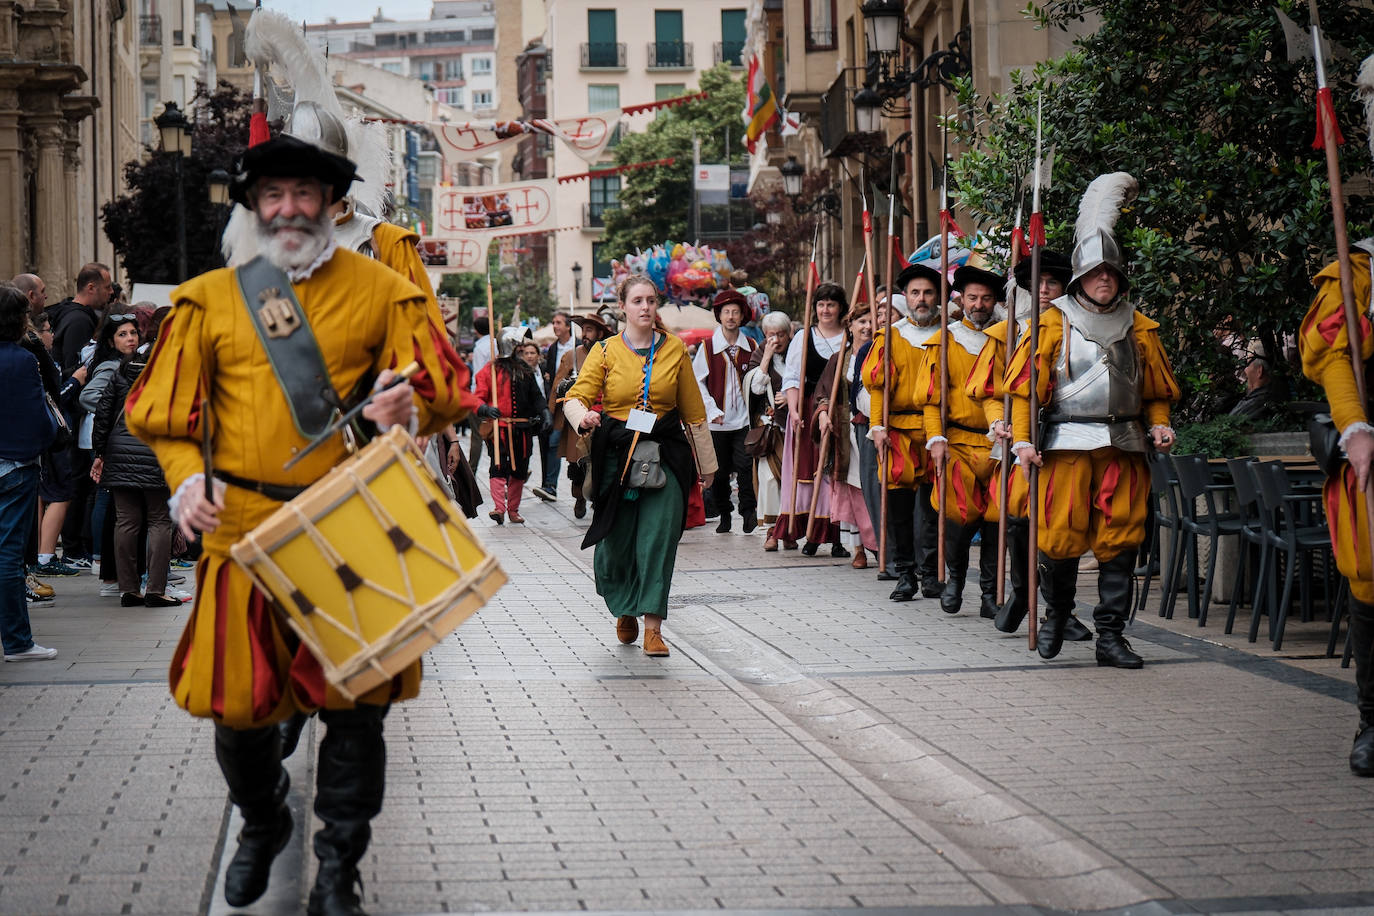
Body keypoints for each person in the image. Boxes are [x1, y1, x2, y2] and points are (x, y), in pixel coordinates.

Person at [125, 132, 475, 915]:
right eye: (273, 195)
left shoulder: (385, 290)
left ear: (330, 204)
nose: (289, 209)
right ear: (254, 204)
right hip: (240, 533)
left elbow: (446, 389)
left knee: (357, 714)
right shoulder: (208, 299)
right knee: (239, 710)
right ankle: (262, 815)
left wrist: (409, 406)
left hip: (352, 525)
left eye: (305, 195)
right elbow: (160, 416)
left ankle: (339, 867)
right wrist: (185, 485)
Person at [1009, 171, 1179, 669]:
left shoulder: (1139, 326)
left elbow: (1154, 392)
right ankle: (1058, 614)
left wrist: (1161, 424)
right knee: (1059, 538)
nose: (1105, 279)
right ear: (1081, 277)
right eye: (1095, 272)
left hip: (1125, 443)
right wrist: (1022, 442)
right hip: (1063, 444)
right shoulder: (1049, 323)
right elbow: (1023, 391)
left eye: (1112, 273)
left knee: (1120, 539)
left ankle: (1111, 636)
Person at [563, 275, 717, 657]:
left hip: (666, 454)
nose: (645, 307)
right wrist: (583, 416)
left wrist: (708, 465)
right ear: (624, 306)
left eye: (650, 300)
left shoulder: (676, 350)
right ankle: (625, 605)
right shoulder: (604, 351)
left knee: (657, 541)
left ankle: (653, 626)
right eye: (637, 301)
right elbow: (575, 396)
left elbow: (694, 413)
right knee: (616, 544)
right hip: (617, 456)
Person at [966, 251, 1092, 641]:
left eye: (1051, 284)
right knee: (1020, 521)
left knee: (1061, 524)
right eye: (1035, 285)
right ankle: (1023, 593)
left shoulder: (1082, 330)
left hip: (1067, 442)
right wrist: (998, 421)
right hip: (1018, 441)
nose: (1043, 291)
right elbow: (987, 391)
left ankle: (1060, 611)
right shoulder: (1006, 335)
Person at [863, 264, 943, 601]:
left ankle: (932, 573)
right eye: (915, 293)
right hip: (899, 431)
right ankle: (906, 573)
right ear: (906, 298)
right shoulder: (890, 337)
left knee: (935, 508)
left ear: (937, 296)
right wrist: (876, 426)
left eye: (927, 292)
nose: (921, 299)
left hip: (938, 432)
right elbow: (878, 385)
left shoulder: (950, 334)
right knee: (898, 507)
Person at [92, 345, 179, 608]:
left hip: (119, 452)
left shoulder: (121, 374)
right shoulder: (171, 377)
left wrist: (100, 452)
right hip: (156, 452)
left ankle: (128, 589)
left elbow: (103, 415)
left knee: (126, 522)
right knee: (160, 521)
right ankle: (155, 589)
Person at [0, 284, 59, 661]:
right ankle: (17, 641)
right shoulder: (21, 359)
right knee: (7, 553)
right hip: (15, 464)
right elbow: (40, 416)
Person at [771, 282, 848, 556]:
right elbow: (792, 377)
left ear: (841, 308)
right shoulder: (804, 337)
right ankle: (812, 533)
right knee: (809, 472)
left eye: (831, 304)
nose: (826, 310)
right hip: (808, 408)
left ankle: (838, 535)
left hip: (841, 409)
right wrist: (792, 410)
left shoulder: (849, 337)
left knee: (837, 471)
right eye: (821, 304)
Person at [814, 307, 878, 568]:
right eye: (862, 321)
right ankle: (859, 548)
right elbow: (823, 393)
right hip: (846, 433)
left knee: (873, 486)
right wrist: (821, 413)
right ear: (849, 326)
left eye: (872, 321)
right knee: (852, 489)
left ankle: (880, 544)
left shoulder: (882, 354)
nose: (867, 326)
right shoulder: (839, 360)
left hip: (875, 429)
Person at [694, 289, 758, 534]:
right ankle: (724, 514)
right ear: (719, 316)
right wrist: (711, 410)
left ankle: (748, 512)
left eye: (735, 312)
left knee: (745, 466)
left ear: (742, 316)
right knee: (719, 474)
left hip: (743, 421)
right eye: (726, 312)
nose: (731, 317)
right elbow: (697, 382)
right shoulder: (707, 347)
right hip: (717, 423)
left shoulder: (751, 345)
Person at [473, 328, 551, 525]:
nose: (522, 350)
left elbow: (537, 397)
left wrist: (545, 412)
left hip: (522, 429)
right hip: (499, 430)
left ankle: (513, 510)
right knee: (498, 467)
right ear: (511, 347)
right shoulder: (489, 371)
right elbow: (478, 397)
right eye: (519, 347)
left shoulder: (526, 370)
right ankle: (499, 508)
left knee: (520, 470)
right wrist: (484, 409)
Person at [549, 313, 616, 519]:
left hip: (605, 415)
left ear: (600, 332)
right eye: (583, 330)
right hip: (579, 416)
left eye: (589, 330)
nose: (584, 334)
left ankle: (598, 498)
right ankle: (579, 497)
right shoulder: (572, 355)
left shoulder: (612, 353)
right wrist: (566, 387)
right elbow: (557, 385)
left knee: (602, 461)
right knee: (577, 462)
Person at [747, 311, 791, 541]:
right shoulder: (759, 354)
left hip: (793, 426)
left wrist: (793, 395)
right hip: (770, 430)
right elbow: (755, 388)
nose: (777, 339)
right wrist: (767, 356)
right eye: (772, 334)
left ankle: (790, 530)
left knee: (791, 480)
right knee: (769, 479)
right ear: (765, 335)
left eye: (781, 334)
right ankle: (772, 532)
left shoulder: (797, 351)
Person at [535, 311, 576, 501]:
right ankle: (550, 485)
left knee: (579, 447)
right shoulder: (552, 349)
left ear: (568, 326)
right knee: (553, 443)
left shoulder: (579, 345)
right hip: (558, 405)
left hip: (578, 402)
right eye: (554, 322)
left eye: (558, 322)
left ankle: (581, 492)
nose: (555, 326)